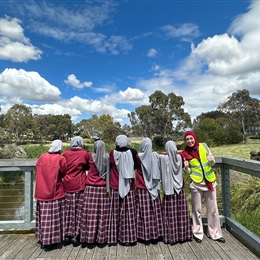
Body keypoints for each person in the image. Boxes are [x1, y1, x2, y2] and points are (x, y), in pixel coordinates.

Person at [180, 130, 225, 243]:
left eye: (191, 138)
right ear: (185, 141)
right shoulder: (185, 153)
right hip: (196, 184)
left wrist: (211, 160)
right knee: (197, 209)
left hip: (209, 182)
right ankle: (198, 233)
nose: (190, 141)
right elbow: (189, 171)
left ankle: (215, 233)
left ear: (194, 138)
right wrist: (186, 168)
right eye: (187, 139)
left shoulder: (203, 146)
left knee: (213, 209)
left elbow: (211, 163)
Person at [34, 139, 67, 251]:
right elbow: (64, 173)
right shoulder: (61, 159)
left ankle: (44, 240)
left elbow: (37, 169)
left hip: (41, 191)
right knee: (54, 217)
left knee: (44, 217)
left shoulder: (42, 156)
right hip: (54, 192)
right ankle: (52, 240)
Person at [158, 141, 192, 245]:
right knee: (181, 212)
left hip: (169, 190)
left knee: (170, 213)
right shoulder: (179, 157)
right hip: (179, 188)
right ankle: (183, 235)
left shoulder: (164, 158)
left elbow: (157, 155)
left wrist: (162, 152)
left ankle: (171, 236)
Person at [108, 135, 138, 246]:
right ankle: (129, 238)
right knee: (129, 213)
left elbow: (111, 164)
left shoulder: (112, 153)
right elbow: (136, 165)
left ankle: (114, 237)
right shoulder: (133, 152)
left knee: (115, 212)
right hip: (129, 185)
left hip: (115, 185)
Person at [80, 140, 110, 247]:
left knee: (90, 215)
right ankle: (101, 239)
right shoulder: (106, 158)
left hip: (90, 188)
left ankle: (88, 238)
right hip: (102, 188)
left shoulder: (90, 156)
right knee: (102, 214)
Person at [135, 137, 163, 245]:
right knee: (155, 211)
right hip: (153, 187)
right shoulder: (155, 156)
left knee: (143, 213)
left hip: (142, 187)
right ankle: (156, 235)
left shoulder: (138, 156)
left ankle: (144, 235)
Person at [63, 136, 90, 247]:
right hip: (79, 184)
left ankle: (66, 234)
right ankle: (76, 235)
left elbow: (63, 167)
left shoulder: (65, 154)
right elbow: (88, 166)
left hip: (67, 184)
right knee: (79, 210)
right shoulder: (84, 154)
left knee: (68, 209)